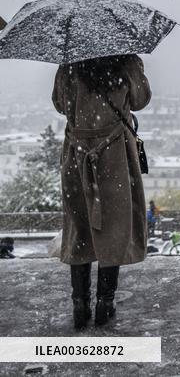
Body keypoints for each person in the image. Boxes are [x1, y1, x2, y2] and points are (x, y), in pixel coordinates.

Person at [53, 54, 151, 330]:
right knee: (114, 227)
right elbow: (141, 100)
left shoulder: (69, 62)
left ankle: (79, 303)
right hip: (114, 155)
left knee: (79, 226)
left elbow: (60, 105)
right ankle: (105, 303)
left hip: (78, 153)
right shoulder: (126, 60)